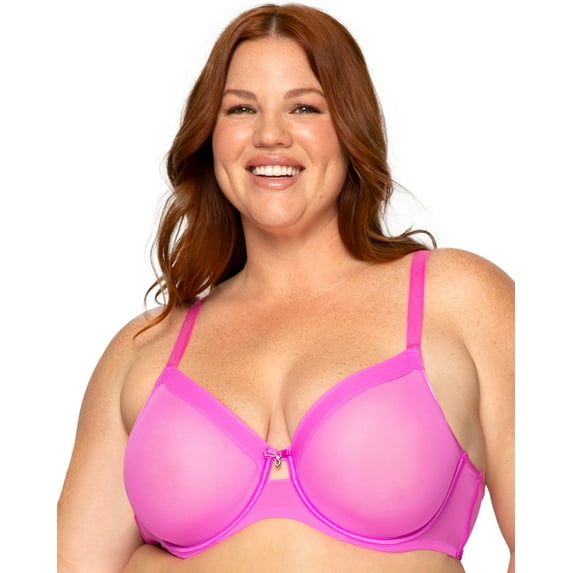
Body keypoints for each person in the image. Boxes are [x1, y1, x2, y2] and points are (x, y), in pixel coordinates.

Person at [57, 3, 514, 572]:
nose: (269, 135)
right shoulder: (143, 350)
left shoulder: (461, 299)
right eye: (241, 108)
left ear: (350, 129)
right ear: (210, 137)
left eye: (304, 107)